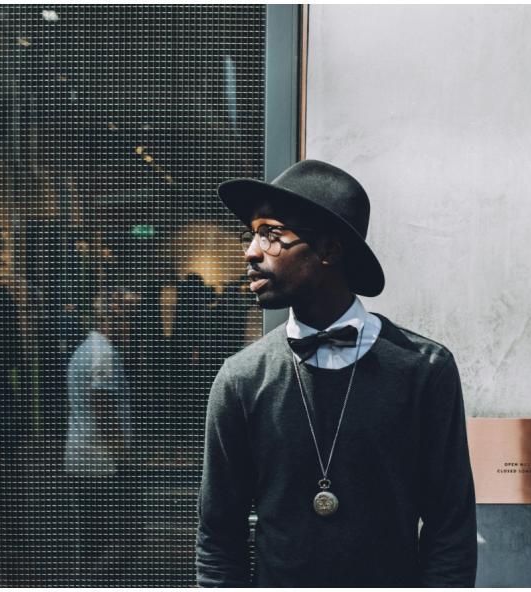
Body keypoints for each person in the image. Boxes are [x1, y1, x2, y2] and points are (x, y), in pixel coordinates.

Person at [196, 159, 477, 587]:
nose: (251, 251)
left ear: (329, 250)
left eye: (271, 235)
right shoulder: (241, 380)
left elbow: (450, 530)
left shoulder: (424, 370)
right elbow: (219, 538)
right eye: (252, 234)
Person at [64, 285, 140, 585]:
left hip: (83, 457)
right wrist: (124, 459)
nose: (129, 330)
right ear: (111, 321)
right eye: (126, 322)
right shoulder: (103, 356)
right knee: (116, 541)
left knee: (93, 538)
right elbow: (104, 409)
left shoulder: (84, 351)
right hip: (102, 462)